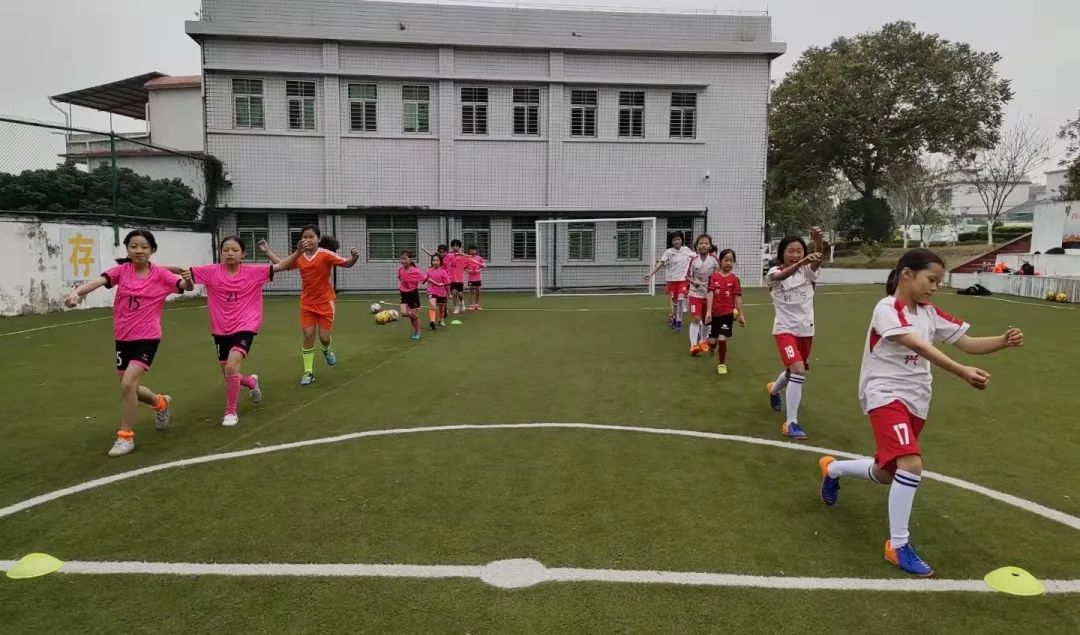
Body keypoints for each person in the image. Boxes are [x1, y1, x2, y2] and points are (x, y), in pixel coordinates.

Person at [818, 248, 1023, 576]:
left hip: (917, 400)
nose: (935, 287)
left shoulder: (930, 313)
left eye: (939, 282)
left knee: (887, 473)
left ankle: (833, 470)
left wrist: (1002, 340)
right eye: (931, 279)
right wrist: (962, 372)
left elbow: (967, 342)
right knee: (911, 464)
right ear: (906, 274)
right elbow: (918, 345)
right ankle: (898, 546)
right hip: (884, 395)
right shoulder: (887, 308)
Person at [63, 229, 186, 457]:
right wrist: (77, 293)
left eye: (144, 247)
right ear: (127, 249)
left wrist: (186, 279)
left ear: (152, 250)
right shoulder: (121, 271)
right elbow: (98, 281)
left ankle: (125, 437)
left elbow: (184, 286)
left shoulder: (160, 274)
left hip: (147, 338)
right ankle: (160, 402)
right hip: (123, 338)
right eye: (133, 246)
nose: (139, 250)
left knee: (128, 384)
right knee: (130, 388)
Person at [185, 237, 302, 424]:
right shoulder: (210, 272)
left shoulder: (253, 272)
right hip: (220, 329)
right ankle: (251, 382)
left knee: (232, 366)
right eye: (226, 250)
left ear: (243, 253)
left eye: (235, 250)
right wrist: (149, 266)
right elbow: (182, 271)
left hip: (246, 325)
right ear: (221, 253)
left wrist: (298, 252)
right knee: (229, 374)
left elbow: (280, 266)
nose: (230, 253)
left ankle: (230, 412)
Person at [259, 225, 358, 386]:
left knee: (324, 338)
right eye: (304, 237)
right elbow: (282, 264)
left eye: (311, 236)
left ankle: (327, 349)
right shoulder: (299, 255)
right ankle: (308, 372)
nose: (307, 240)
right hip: (307, 304)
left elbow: (346, 263)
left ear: (318, 239)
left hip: (325, 303)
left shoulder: (326, 254)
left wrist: (354, 258)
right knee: (308, 335)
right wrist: (267, 251)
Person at [765, 230, 824, 440]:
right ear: (782, 253)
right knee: (798, 370)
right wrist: (801, 262)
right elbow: (781, 276)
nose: (796, 254)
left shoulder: (808, 271)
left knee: (793, 372)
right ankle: (791, 423)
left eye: (799, 251)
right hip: (784, 330)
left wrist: (818, 241)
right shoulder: (773, 272)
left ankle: (773, 390)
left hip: (806, 330)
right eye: (791, 251)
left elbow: (818, 259)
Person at [705, 249, 746, 375]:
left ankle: (722, 363)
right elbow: (710, 294)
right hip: (714, 314)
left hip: (727, 314)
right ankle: (712, 347)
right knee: (712, 342)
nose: (729, 263)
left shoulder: (734, 279)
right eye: (726, 260)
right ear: (720, 261)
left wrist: (741, 315)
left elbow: (738, 298)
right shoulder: (713, 277)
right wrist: (708, 312)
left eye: (731, 261)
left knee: (722, 338)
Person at [644, 231, 695, 332]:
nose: (677, 241)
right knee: (675, 303)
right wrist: (650, 274)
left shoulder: (686, 250)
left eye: (678, 239)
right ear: (671, 241)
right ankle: (674, 318)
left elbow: (697, 257)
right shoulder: (668, 252)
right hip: (671, 281)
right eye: (674, 240)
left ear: (682, 240)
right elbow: (660, 264)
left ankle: (679, 323)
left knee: (681, 300)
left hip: (683, 280)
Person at [686, 234, 720, 356]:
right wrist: (693, 282)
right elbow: (687, 276)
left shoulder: (714, 260)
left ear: (710, 246)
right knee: (696, 318)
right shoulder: (693, 261)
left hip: (709, 295)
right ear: (697, 246)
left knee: (706, 320)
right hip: (695, 294)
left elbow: (719, 275)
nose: (703, 245)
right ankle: (693, 345)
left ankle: (703, 341)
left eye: (706, 243)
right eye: (701, 243)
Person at [398, 250, 426, 340]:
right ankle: (415, 320)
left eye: (405, 259)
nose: (403, 261)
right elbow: (400, 278)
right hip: (404, 294)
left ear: (410, 260)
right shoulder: (400, 270)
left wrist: (437, 283)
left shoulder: (415, 271)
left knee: (413, 316)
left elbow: (424, 279)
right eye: (401, 259)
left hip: (413, 294)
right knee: (404, 313)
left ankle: (417, 332)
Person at [425, 253, 451, 330]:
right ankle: (432, 321)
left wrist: (449, 293)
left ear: (440, 262)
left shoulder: (443, 272)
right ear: (431, 261)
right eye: (433, 260)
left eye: (437, 260)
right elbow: (426, 279)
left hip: (442, 293)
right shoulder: (429, 271)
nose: (435, 262)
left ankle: (441, 320)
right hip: (432, 291)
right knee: (432, 306)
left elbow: (447, 284)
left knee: (441, 308)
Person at [445, 239, 468, 315]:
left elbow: (466, 265)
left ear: (459, 247)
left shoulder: (463, 256)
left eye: (457, 246)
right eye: (453, 246)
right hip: (451, 279)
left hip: (459, 279)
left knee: (460, 294)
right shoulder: (448, 255)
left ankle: (462, 302)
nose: (455, 247)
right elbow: (445, 263)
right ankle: (456, 307)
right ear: (451, 246)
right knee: (454, 293)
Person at [465, 245, 486, 311]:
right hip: (471, 279)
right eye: (471, 250)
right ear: (469, 251)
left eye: (474, 250)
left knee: (478, 292)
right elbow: (464, 268)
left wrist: (478, 270)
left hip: (478, 278)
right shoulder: (467, 258)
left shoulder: (479, 258)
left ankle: (477, 305)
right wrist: (469, 271)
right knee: (471, 292)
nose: (473, 251)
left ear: (476, 251)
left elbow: (483, 267)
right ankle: (471, 305)